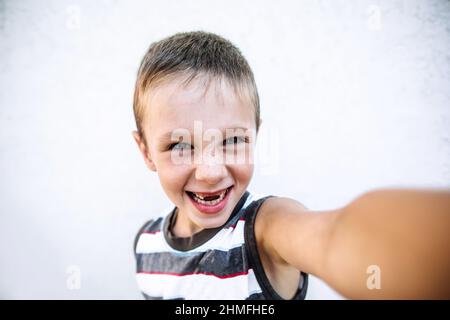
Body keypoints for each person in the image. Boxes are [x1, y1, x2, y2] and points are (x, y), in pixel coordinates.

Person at [131, 31, 450, 300]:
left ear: (255, 136)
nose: (211, 171)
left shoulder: (265, 232)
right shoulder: (146, 243)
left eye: (232, 141)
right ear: (146, 153)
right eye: (181, 146)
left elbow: (333, 237)